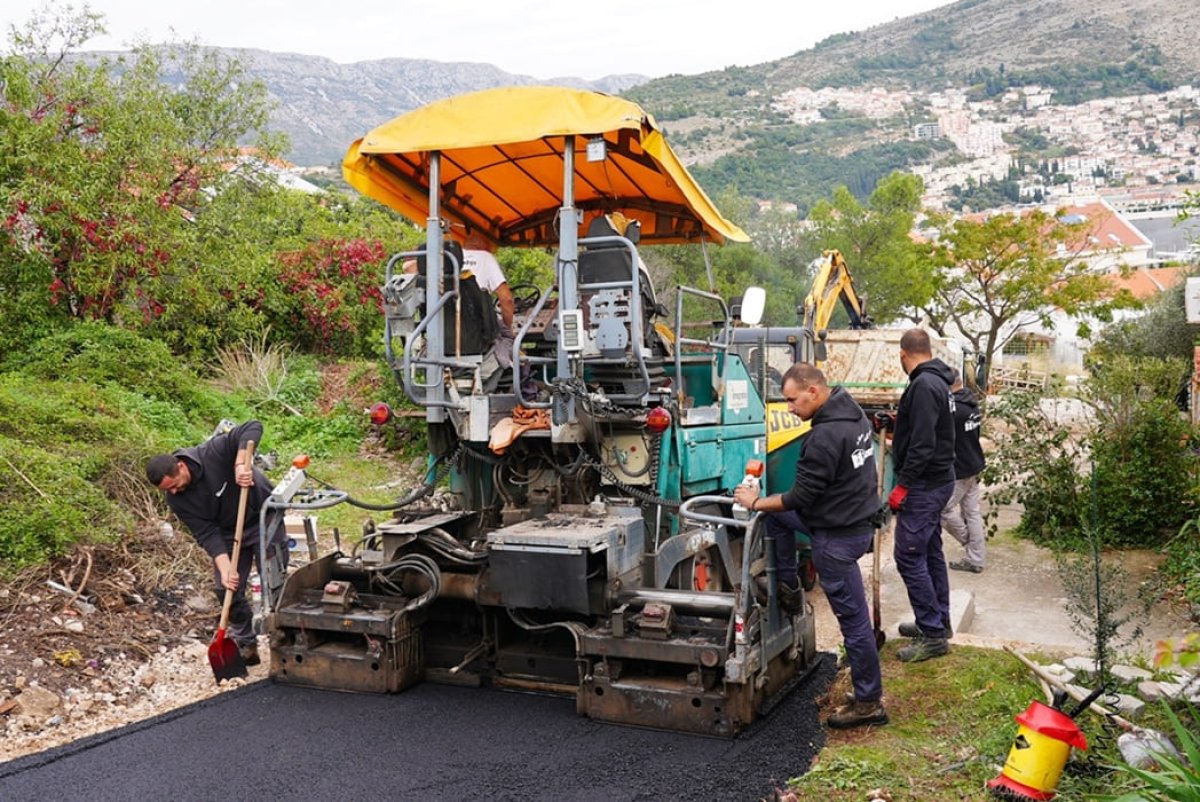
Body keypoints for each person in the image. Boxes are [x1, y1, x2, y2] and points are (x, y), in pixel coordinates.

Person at [734, 363, 886, 729]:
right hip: (852, 520)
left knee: (855, 624)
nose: (788, 408)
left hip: (835, 537)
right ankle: (788, 585)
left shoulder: (823, 438)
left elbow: (800, 496)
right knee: (777, 519)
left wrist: (755, 502)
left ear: (813, 392)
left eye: (791, 399)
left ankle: (869, 703)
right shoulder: (855, 417)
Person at [145, 420, 283, 666]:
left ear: (181, 466)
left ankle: (284, 640)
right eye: (168, 491)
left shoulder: (213, 453)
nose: (174, 493)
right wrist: (225, 566)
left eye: (174, 485)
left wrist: (241, 464)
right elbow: (206, 532)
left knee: (273, 581)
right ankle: (246, 644)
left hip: (263, 516)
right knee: (225, 587)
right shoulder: (176, 500)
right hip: (228, 532)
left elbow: (252, 427)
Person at [888, 328, 957, 663]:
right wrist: (897, 420)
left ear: (904, 353)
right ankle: (938, 622)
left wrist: (903, 484)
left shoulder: (925, 384)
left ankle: (933, 634)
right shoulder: (934, 382)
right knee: (929, 553)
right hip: (936, 481)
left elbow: (924, 444)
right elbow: (922, 427)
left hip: (925, 485)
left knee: (909, 556)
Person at [941, 369, 987, 573]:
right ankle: (976, 557)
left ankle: (970, 544)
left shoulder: (953, 410)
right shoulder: (972, 404)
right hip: (974, 464)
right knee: (972, 512)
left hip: (959, 470)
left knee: (942, 510)